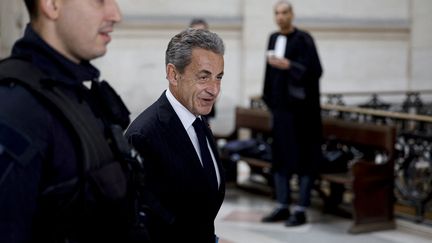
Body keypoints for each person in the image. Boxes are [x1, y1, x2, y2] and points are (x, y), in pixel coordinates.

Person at [0, 0, 149, 242]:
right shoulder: (15, 108)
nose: (116, 14)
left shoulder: (80, 95)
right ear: (52, 5)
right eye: (99, 1)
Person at [125, 28, 226, 243]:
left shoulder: (200, 120)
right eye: (204, 77)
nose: (214, 89)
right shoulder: (143, 135)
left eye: (218, 77)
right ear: (173, 75)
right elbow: (144, 225)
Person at [261, 0, 323, 227]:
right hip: (281, 113)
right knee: (280, 159)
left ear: (292, 14)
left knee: (305, 159)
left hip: (303, 115)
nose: (281, 17)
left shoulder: (304, 39)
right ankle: (282, 205)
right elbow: (267, 70)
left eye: (284, 12)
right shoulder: (273, 38)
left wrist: (289, 66)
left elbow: (315, 71)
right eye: (277, 13)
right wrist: (268, 97)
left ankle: (301, 209)